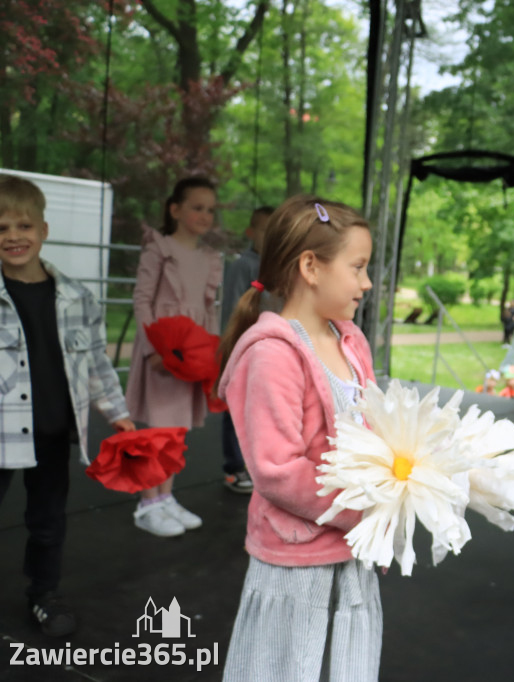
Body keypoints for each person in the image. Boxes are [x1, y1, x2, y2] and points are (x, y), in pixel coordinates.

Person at [217, 196, 380, 681]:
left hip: (351, 556)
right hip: (297, 563)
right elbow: (276, 468)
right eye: (358, 267)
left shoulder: (352, 341)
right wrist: (364, 508)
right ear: (311, 266)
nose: (366, 282)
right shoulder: (271, 356)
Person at [0, 175, 135, 636]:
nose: (13, 237)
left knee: (48, 522)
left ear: (44, 230)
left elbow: (97, 364)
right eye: (1, 228)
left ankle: (44, 593)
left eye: (23, 225)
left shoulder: (78, 297)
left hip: (54, 432)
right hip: (1, 434)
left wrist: (118, 415)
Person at [125, 177, 223, 536]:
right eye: (197, 207)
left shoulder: (210, 259)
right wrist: (154, 351)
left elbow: (209, 309)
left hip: (192, 353)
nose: (205, 215)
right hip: (163, 351)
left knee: (177, 430)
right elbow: (141, 301)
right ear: (175, 209)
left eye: (210, 210)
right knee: (159, 427)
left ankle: (166, 497)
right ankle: (147, 503)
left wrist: (210, 355)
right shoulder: (159, 249)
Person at [220, 205, 274, 494]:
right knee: (235, 408)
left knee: (261, 410)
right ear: (251, 233)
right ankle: (233, 467)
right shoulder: (243, 265)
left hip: (267, 352)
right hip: (244, 347)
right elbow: (233, 309)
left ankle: (256, 465)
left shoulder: (279, 267)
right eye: (266, 230)